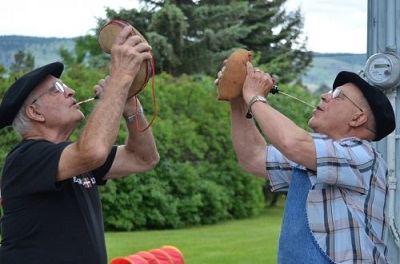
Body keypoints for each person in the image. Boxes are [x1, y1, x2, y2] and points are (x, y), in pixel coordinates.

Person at [0, 25, 159, 264]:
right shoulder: (25, 158)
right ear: (34, 112)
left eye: (65, 86)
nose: (70, 91)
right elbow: (93, 151)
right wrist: (119, 79)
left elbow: (144, 158)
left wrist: (130, 106)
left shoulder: (72, 157)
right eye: (56, 89)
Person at [215, 62, 395, 263]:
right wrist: (237, 99)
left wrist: (254, 97)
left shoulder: (363, 155)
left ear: (357, 118)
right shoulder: (313, 158)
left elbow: (292, 142)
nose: (324, 96)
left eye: (337, 95)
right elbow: (253, 158)